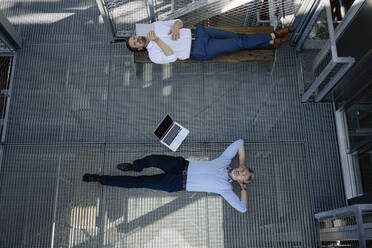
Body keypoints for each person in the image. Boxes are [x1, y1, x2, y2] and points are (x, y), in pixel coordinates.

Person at [83, 139, 253, 213]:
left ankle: (100, 178)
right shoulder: (225, 161)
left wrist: (243, 189)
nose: (241, 173)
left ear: (239, 181)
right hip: (181, 165)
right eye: (243, 170)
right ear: (240, 166)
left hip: (176, 182)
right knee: (153, 159)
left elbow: (242, 208)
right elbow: (239, 142)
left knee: (138, 183)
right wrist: (243, 161)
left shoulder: (226, 189)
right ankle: (135, 166)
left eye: (243, 177)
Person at [126, 19, 294, 64]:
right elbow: (172, 58)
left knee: (235, 36)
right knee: (238, 43)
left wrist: (177, 26)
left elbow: (178, 21)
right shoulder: (154, 55)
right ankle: (273, 35)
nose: (137, 39)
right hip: (200, 49)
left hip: (199, 32)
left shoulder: (149, 26)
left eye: (134, 37)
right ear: (140, 49)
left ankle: (270, 44)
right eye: (135, 43)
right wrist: (157, 41)